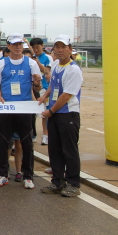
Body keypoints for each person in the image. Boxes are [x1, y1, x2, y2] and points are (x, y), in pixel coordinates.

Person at [0, 33, 41, 189]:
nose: (18, 47)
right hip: (6, 108)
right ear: (9, 46)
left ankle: (28, 176)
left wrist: (36, 83)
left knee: (26, 143)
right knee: (3, 142)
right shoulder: (1, 63)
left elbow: (37, 87)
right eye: (14, 44)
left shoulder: (31, 63)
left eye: (20, 44)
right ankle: (3, 174)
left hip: (24, 108)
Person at [38, 35, 83, 197]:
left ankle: (73, 184)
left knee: (69, 150)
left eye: (63, 46)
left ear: (70, 49)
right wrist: (44, 97)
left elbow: (66, 96)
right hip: (55, 114)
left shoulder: (74, 70)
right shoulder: (56, 64)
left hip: (67, 115)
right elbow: (53, 84)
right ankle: (57, 181)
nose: (60, 50)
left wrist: (50, 111)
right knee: (54, 149)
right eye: (57, 46)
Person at [30, 37, 52, 146]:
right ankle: (33, 134)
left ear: (42, 46)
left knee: (45, 113)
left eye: (37, 47)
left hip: (45, 88)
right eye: (33, 48)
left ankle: (45, 135)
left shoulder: (47, 58)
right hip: (33, 87)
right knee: (36, 113)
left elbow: (47, 70)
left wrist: (37, 63)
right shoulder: (30, 58)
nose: (36, 50)